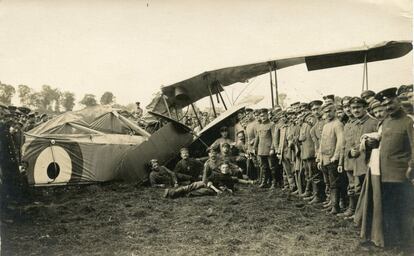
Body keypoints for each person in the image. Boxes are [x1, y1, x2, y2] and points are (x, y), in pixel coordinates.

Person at [371, 88, 414, 248]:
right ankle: (394, 242)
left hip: (402, 175)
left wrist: (411, 168)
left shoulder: (409, 121)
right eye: (385, 104)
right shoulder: (386, 121)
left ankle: (407, 246)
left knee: (404, 212)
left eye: (391, 102)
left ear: (398, 101)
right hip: (384, 174)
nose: (388, 107)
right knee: (390, 210)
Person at [163, 162, 254, 198]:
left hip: (211, 189)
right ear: (220, 168)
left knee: (196, 192)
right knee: (193, 185)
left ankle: (173, 194)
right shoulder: (216, 174)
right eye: (223, 167)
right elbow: (208, 181)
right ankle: (172, 192)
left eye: (226, 168)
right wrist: (215, 188)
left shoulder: (230, 178)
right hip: (209, 185)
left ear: (228, 169)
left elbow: (238, 181)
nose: (225, 169)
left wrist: (249, 182)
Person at [317, 103, 344, 214]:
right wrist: (319, 158)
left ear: (334, 111)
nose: (327, 114)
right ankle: (331, 203)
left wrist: (336, 156)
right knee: (328, 182)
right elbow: (322, 143)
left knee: (334, 184)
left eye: (329, 111)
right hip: (324, 159)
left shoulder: (338, 124)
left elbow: (340, 141)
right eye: (325, 112)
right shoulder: (326, 125)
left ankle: (336, 206)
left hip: (332, 159)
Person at [254, 108, 276, 188]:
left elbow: (274, 137)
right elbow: (257, 137)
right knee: (263, 167)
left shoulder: (272, 124)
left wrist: (272, 148)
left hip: (269, 149)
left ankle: (274, 182)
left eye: (264, 115)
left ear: (267, 115)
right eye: (261, 116)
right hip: (261, 149)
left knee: (272, 167)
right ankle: (264, 182)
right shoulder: (259, 126)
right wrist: (254, 147)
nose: (263, 117)